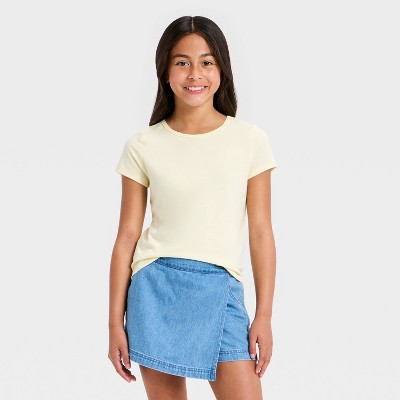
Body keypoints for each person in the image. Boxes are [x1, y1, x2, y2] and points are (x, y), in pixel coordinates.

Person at [108, 15, 278, 400]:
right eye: (182, 62)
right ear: (165, 71)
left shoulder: (249, 140)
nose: (194, 74)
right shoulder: (142, 145)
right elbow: (127, 237)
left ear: (222, 70)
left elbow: (260, 232)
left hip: (220, 289)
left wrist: (264, 315)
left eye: (207, 62)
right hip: (155, 290)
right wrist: (114, 324)